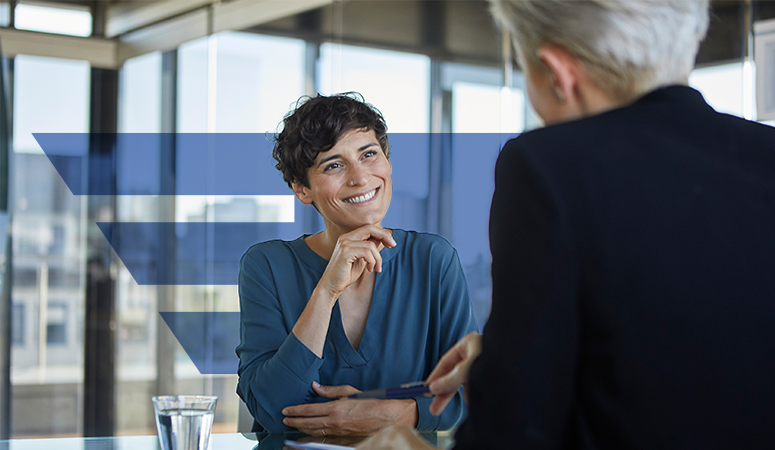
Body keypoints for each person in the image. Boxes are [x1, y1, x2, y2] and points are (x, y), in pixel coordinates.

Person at [358, 0, 775, 448]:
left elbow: (514, 437)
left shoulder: (545, 165)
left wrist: (402, 443)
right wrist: (504, 361)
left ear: (557, 73)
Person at [235, 93, 478, 435]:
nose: (361, 178)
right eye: (333, 164)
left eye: (368, 155)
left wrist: (378, 414)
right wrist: (326, 290)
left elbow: (468, 393)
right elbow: (272, 408)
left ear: (387, 160)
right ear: (302, 189)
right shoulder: (267, 266)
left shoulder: (433, 259)